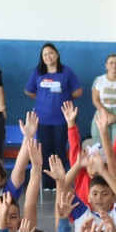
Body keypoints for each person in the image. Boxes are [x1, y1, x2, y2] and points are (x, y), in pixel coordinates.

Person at [25, 43, 82, 190]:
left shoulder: (66, 72)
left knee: (60, 150)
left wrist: (64, 98)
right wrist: (43, 99)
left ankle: (60, 181)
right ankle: (47, 182)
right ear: (42, 58)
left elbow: (78, 92)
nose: (48, 56)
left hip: (62, 119)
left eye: (50, 53)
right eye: (45, 55)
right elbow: (29, 91)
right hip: (42, 119)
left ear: (57, 55)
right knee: (45, 150)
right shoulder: (37, 73)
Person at [91, 54, 116, 145]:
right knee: (100, 148)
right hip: (102, 115)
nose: (114, 65)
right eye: (111, 63)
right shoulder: (99, 80)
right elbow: (95, 100)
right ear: (106, 65)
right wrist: (108, 114)